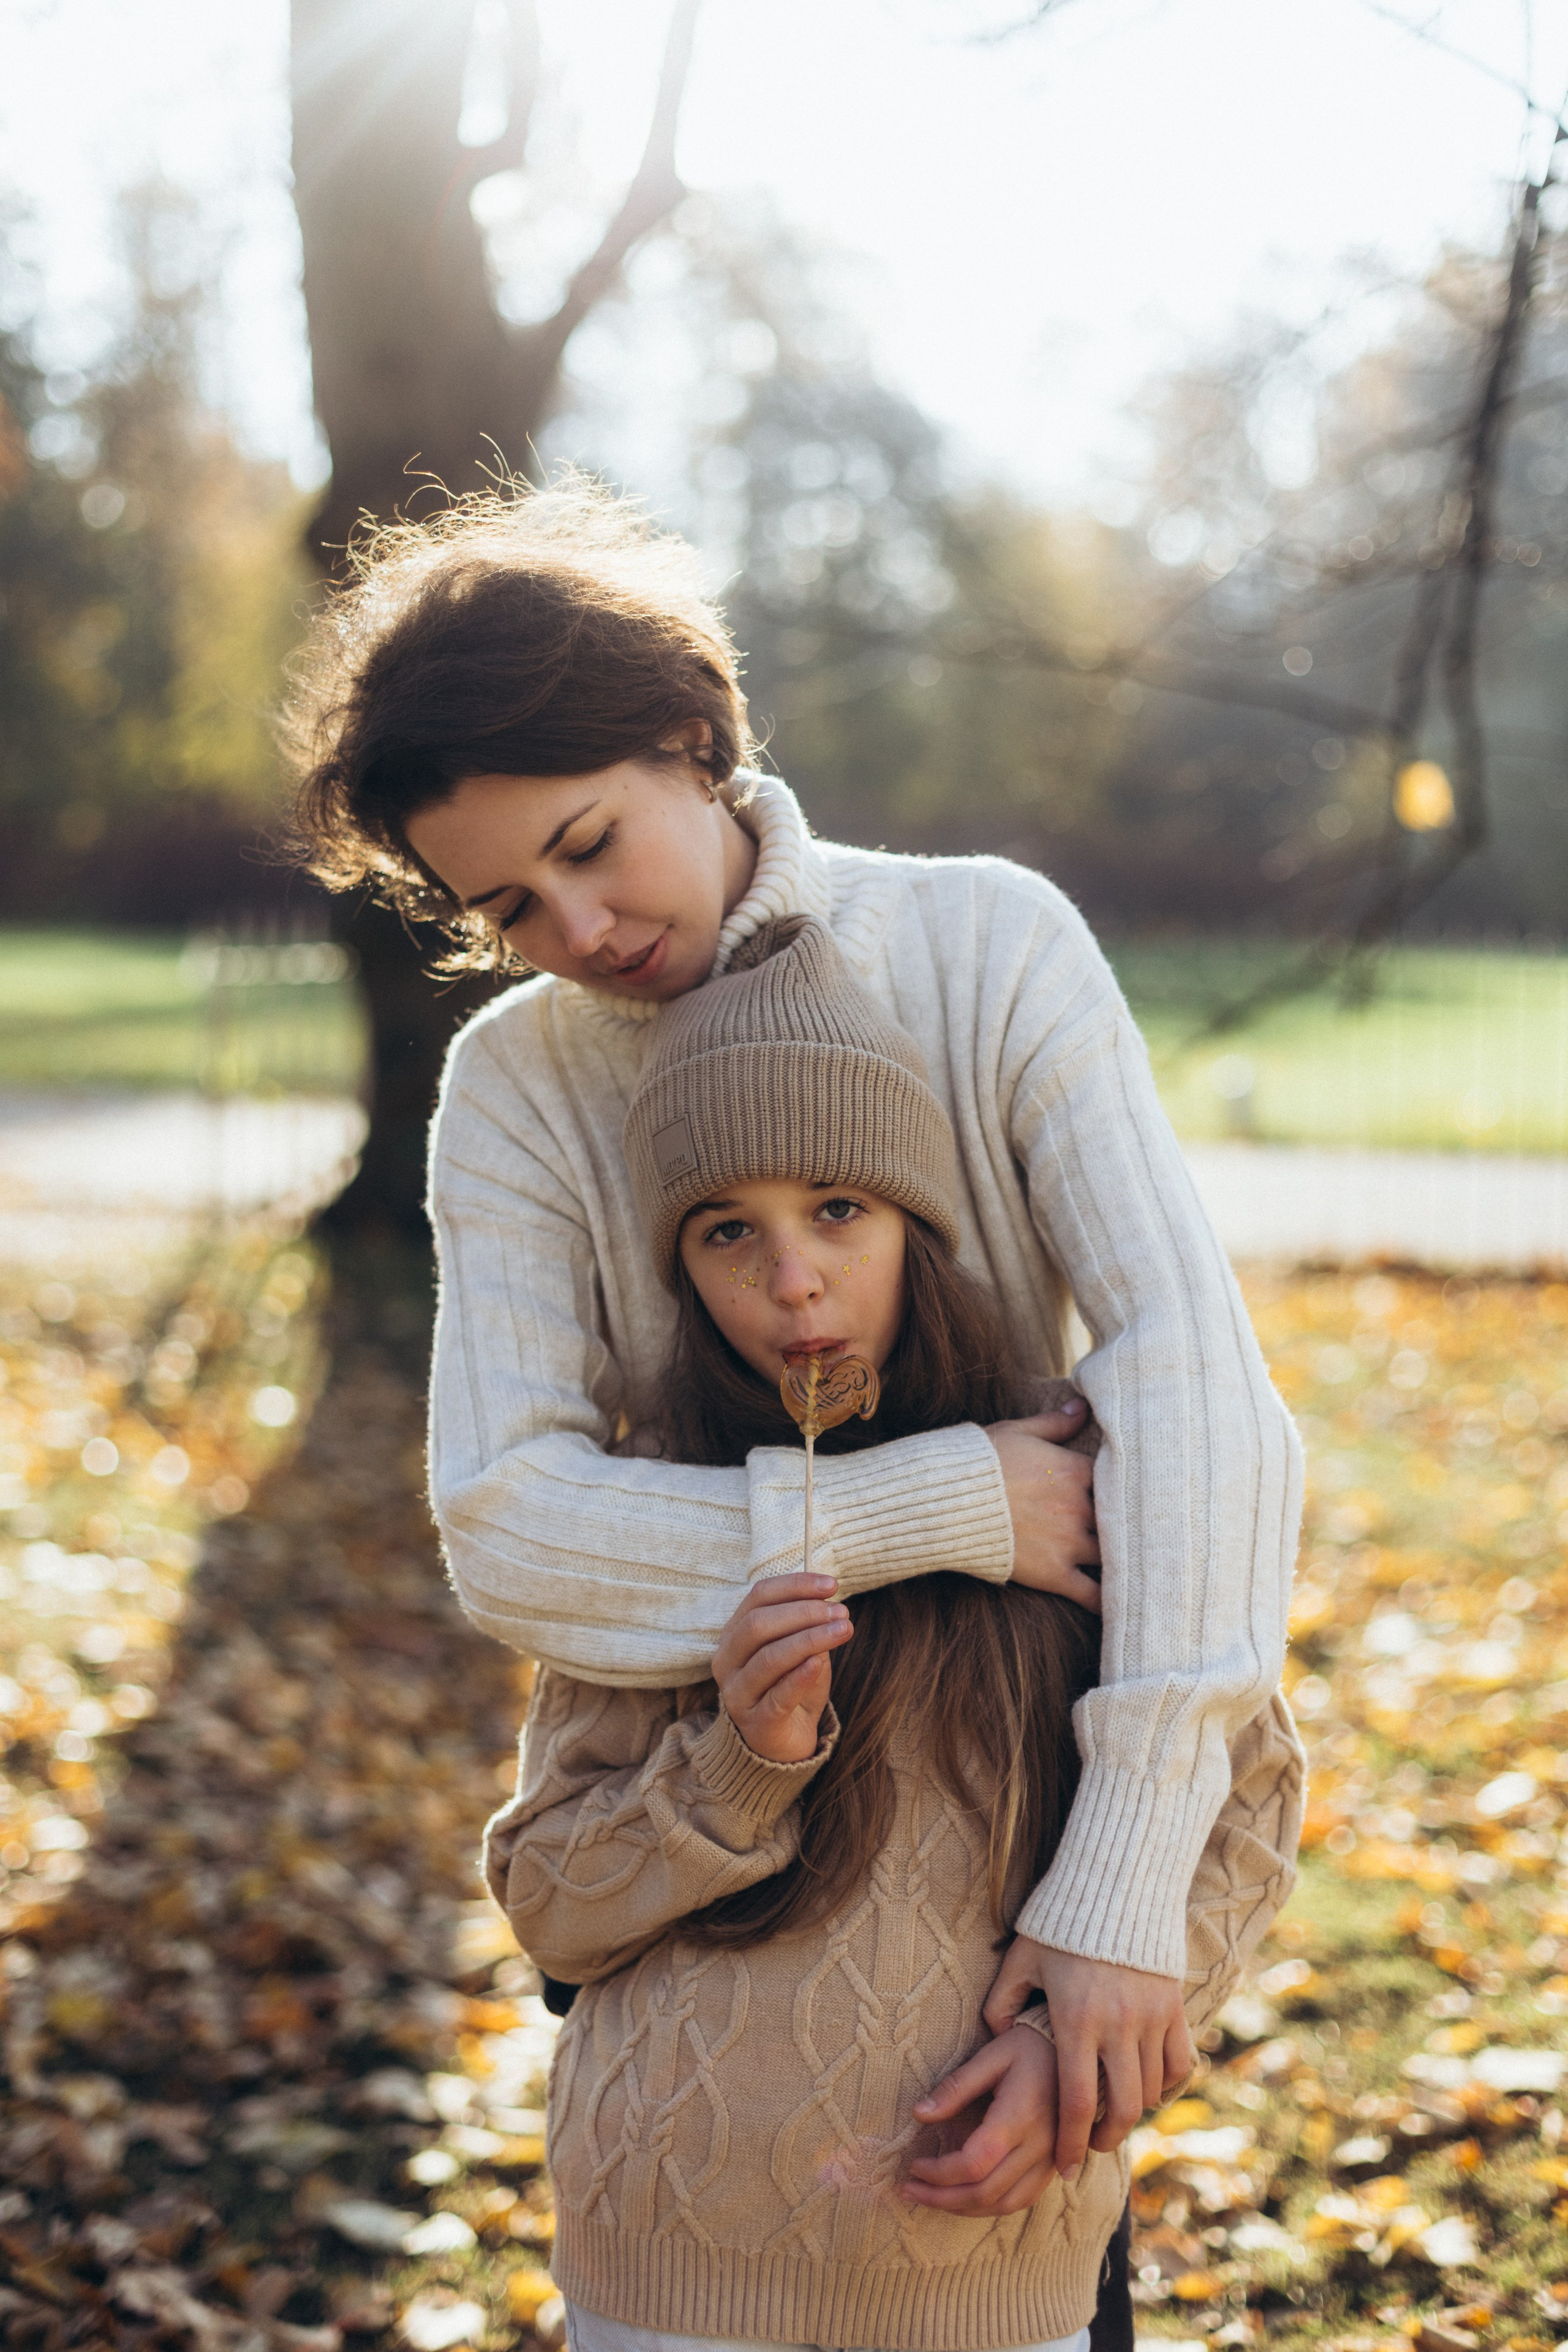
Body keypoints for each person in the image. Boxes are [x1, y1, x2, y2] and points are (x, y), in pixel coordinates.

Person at [284, 473, 1305, 2185]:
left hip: (1015, 1839)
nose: (580, 933)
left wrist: (1124, 1889)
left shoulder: (989, 944)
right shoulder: (515, 1091)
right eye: (508, 911)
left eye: (590, 846)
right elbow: (513, 1530)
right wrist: (949, 1504)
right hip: (690, 1879)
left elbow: (1195, 1392)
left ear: (692, 736)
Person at [484, 914, 1257, 2352]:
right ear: (680, 1265)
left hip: (990, 2248)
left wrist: (1073, 2048)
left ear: (916, 1221)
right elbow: (548, 1905)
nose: (791, 1283)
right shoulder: (650, 1507)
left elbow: (1240, 1806)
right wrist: (739, 1766)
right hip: (667, 2259)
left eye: (837, 1210)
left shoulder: (1078, 1470)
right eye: (728, 1233)